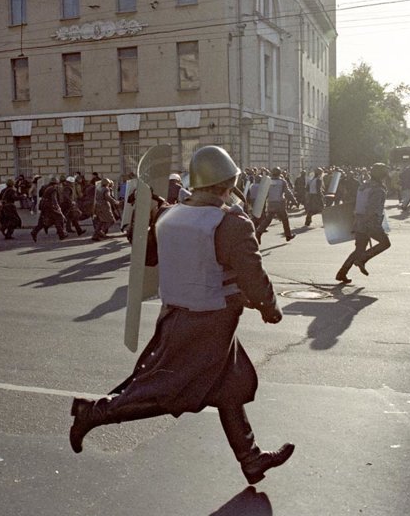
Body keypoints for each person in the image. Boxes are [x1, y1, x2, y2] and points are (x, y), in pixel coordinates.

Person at [69, 145, 294, 485]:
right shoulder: (229, 221)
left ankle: (250, 459)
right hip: (209, 321)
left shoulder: (169, 216)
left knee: (228, 388)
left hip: (178, 313)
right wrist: (269, 305)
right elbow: (251, 272)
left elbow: (151, 261)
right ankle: (94, 412)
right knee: (169, 391)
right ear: (226, 183)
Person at [335, 163, 392, 284]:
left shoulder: (363, 186)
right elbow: (372, 209)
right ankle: (363, 259)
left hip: (359, 221)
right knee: (385, 243)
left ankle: (342, 272)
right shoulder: (378, 190)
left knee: (359, 249)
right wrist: (370, 223)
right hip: (370, 222)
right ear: (382, 175)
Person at [255, 166, 297, 243]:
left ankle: (258, 232)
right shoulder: (282, 181)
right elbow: (287, 192)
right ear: (279, 173)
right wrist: (294, 200)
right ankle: (288, 235)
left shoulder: (268, 181)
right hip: (280, 203)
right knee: (285, 219)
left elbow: (264, 193)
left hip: (271, 203)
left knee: (268, 220)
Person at [30, 176, 67, 242]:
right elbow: (54, 199)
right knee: (58, 218)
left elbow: (40, 194)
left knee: (42, 221)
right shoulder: (53, 189)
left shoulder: (46, 187)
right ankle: (61, 234)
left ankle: (34, 232)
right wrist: (57, 207)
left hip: (44, 206)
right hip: (50, 207)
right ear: (56, 183)